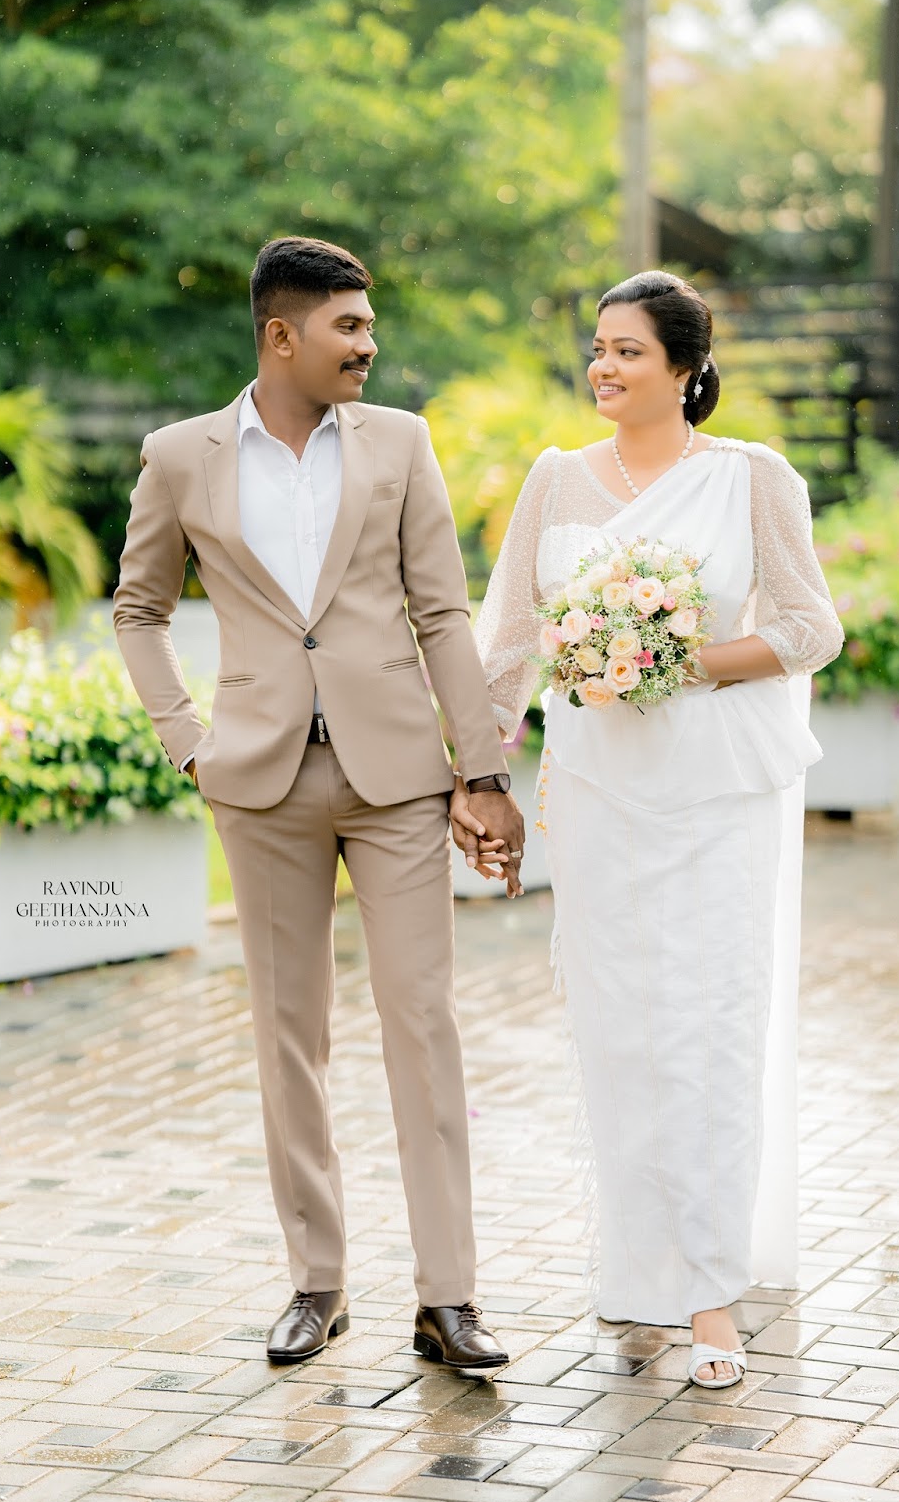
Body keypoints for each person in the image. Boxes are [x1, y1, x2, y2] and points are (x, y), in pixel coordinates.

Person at [113, 235, 525, 1370]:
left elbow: (442, 614)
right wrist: (184, 741)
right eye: (349, 326)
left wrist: (481, 771)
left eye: (370, 323)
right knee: (290, 1035)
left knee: (421, 1022)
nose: (369, 343)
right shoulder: (180, 456)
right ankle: (317, 1282)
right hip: (260, 780)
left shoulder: (399, 442)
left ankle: (449, 1298)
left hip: (396, 779)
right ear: (280, 335)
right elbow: (137, 607)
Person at [464, 271, 844, 1389]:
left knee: (709, 1031)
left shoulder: (751, 479)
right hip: (595, 795)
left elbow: (809, 625)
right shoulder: (554, 480)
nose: (602, 367)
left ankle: (712, 1297)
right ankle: (638, 1279)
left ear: (683, 368)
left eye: (627, 351)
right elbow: (508, 639)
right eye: (596, 348)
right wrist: (478, 770)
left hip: (716, 798)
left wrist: (677, 662)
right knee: (622, 1037)